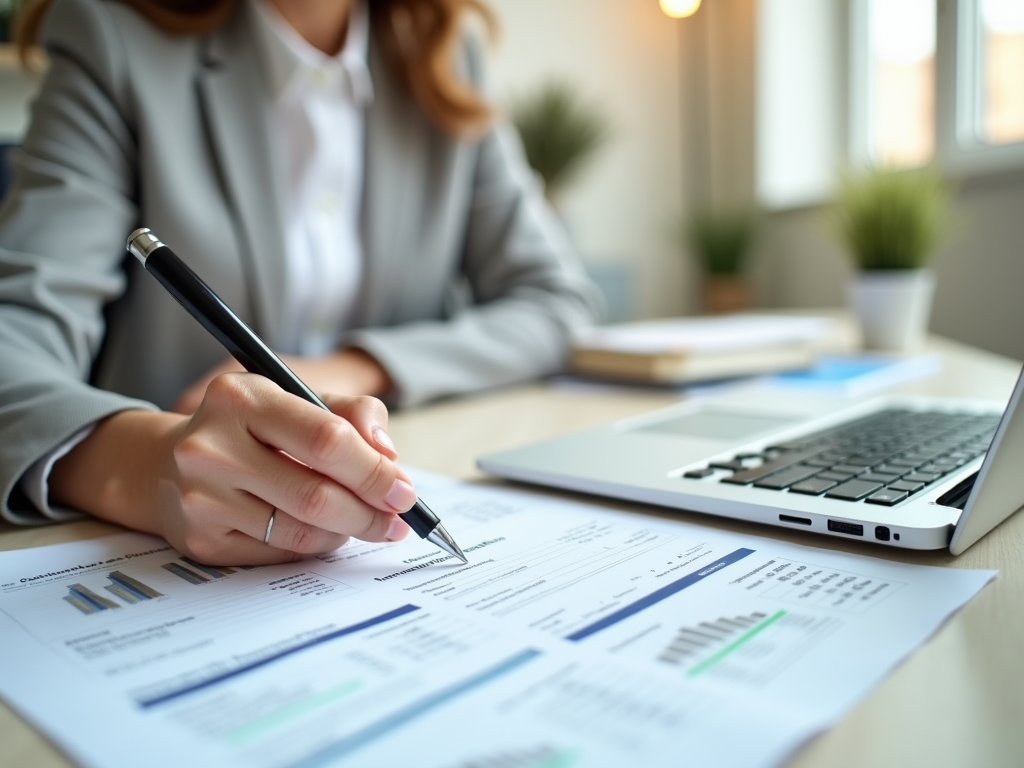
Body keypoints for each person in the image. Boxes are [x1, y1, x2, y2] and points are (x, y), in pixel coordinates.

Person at [0, 0, 602, 564]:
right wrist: (149, 465)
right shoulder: (111, 37)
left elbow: (556, 302)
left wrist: (358, 366)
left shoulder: (442, 50)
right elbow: (12, 348)